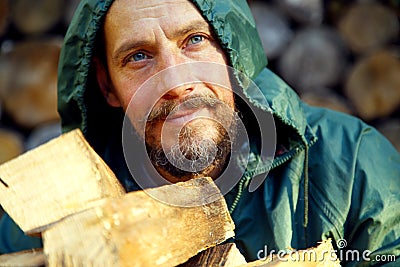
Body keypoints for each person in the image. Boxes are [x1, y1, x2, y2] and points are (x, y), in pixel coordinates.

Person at [0, 0, 399, 265]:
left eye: (195, 40)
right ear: (107, 87)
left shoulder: (353, 164)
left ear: (230, 53)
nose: (176, 81)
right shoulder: (41, 208)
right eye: (138, 56)